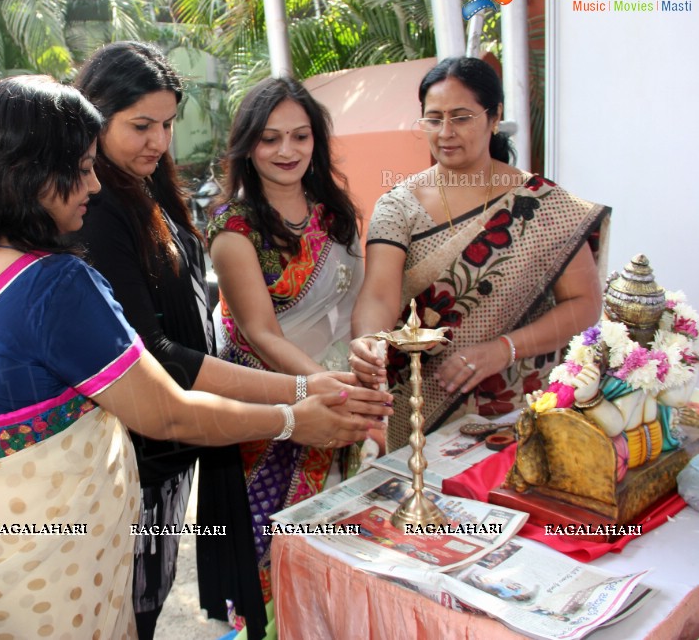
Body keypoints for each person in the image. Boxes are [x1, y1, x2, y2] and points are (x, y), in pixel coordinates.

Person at [0, 75, 370, 639]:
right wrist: (295, 418)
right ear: (28, 172)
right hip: (45, 564)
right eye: (81, 167)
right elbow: (166, 411)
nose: (95, 185)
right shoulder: (51, 282)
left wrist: (299, 391)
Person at [73, 43, 390, 638]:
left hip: (235, 406)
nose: (159, 141)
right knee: (143, 597)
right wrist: (301, 394)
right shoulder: (102, 209)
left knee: (153, 590)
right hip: (182, 419)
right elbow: (157, 350)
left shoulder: (149, 189)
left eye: (166, 125)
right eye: (141, 125)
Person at [349, 56, 609, 451]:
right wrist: (370, 339)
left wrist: (504, 349)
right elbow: (379, 293)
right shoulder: (398, 205)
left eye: (461, 117)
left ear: (494, 116)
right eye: (433, 119)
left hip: (519, 406)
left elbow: (585, 304)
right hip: (420, 403)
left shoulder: (545, 203)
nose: (446, 133)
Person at [206, 76, 372, 620]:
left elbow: (357, 299)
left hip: (345, 389)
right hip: (277, 406)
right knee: (273, 548)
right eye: (270, 138)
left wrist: (360, 370)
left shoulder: (334, 210)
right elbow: (259, 332)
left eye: (299, 137)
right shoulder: (235, 226)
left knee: (344, 546)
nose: (286, 151)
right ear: (248, 145)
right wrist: (328, 386)